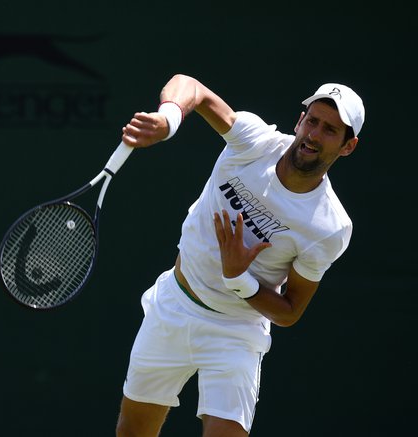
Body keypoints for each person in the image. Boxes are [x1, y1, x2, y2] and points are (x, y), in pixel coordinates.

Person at [115, 74, 365, 437]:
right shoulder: (254, 141)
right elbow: (192, 88)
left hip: (235, 331)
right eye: (312, 120)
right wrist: (168, 120)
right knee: (132, 432)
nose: (313, 134)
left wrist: (239, 279)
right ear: (299, 121)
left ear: (347, 146)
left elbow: (291, 311)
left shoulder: (330, 227)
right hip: (174, 304)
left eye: (329, 129)